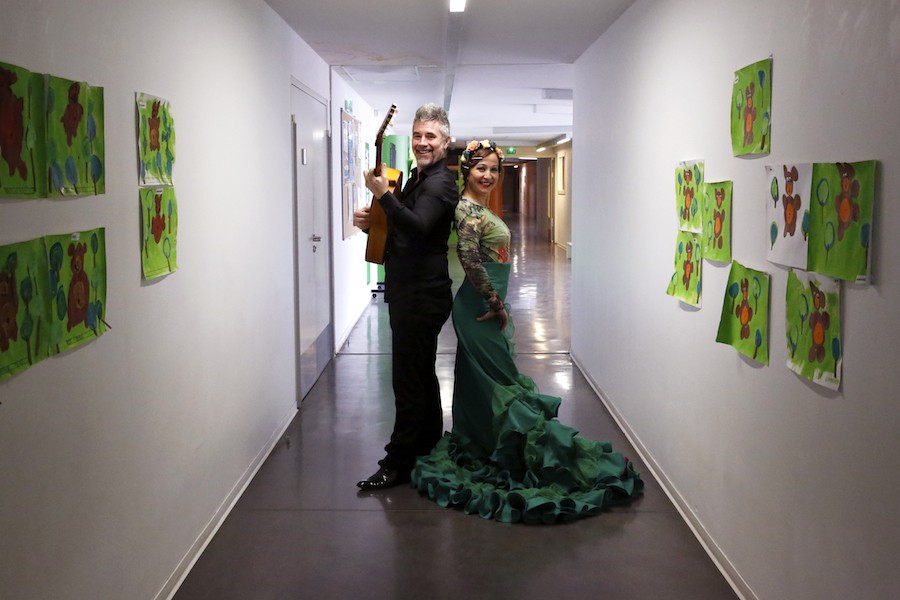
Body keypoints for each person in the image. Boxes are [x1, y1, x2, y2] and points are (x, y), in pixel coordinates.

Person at [411, 139, 644, 523]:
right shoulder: (468, 211)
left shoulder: (478, 207)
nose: (487, 175)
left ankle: (485, 444)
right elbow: (469, 259)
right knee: (501, 381)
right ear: (465, 170)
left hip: (484, 305)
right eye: (480, 168)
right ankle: (508, 449)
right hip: (479, 309)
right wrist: (495, 302)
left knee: (480, 382)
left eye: (493, 169)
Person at [354, 103, 458, 490]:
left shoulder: (440, 183)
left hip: (421, 296)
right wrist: (371, 224)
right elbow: (402, 234)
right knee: (419, 375)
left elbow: (415, 227)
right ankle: (426, 446)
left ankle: (398, 461)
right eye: (417, 135)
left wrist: (384, 197)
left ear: (445, 142)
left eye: (430, 136)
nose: (422, 142)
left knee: (407, 379)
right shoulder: (418, 177)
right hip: (410, 290)